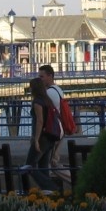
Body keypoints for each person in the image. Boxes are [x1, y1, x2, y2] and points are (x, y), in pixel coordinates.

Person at [22, 76, 60, 194]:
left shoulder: (37, 102)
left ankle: (52, 188)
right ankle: (48, 193)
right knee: (43, 167)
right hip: (50, 137)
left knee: (29, 166)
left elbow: (39, 121)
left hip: (42, 138)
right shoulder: (48, 100)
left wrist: (36, 139)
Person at [39, 64, 72, 192]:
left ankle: (75, 180)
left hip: (54, 131)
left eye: (42, 77)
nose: (40, 79)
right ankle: (50, 188)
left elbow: (43, 113)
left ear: (50, 76)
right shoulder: (58, 89)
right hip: (60, 129)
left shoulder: (49, 93)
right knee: (53, 162)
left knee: (53, 164)